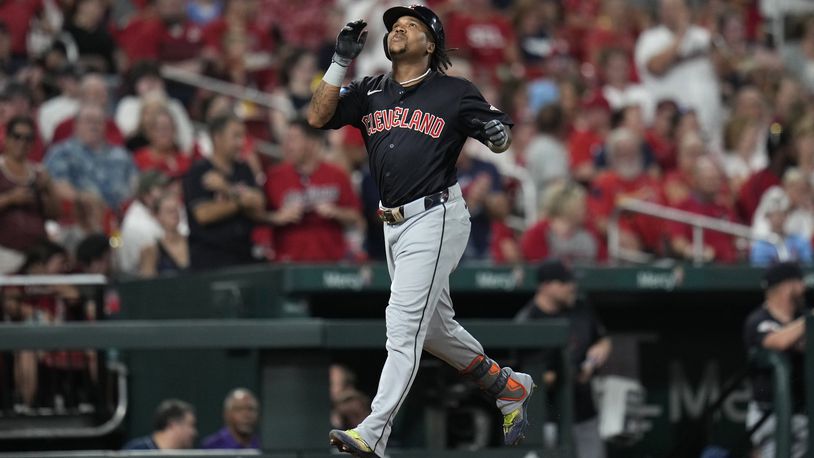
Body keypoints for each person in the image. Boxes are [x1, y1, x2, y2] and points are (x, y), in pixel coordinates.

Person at [307, 5, 535, 456]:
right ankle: (509, 386)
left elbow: (500, 133)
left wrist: (494, 134)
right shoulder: (371, 89)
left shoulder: (452, 91)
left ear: (430, 44)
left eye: (410, 26)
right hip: (392, 223)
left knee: (403, 325)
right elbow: (317, 117)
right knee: (434, 331)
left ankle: (374, 431)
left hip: (436, 215)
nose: (398, 29)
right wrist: (338, 62)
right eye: (394, 25)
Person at [514, 259, 611, 458]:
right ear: (546, 286)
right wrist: (567, 375)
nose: (571, 287)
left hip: (584, 413)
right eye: (564, 283)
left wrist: (598, 352)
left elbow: (603, 340)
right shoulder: (527, 321)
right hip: (547, 419)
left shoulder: (579, 307)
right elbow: (527, 382)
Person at [263, 119, 362, 262]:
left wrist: (335, 212)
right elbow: (259, 218)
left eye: (293, 140)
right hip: (288, 262)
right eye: (286, 140)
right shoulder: (274, 176)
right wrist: (279, 217)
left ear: (311, 143)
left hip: (330, 263)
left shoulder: (337, 175)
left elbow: (356, 217)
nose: (287, 146)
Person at [743, 262, 811, 458]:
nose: (803, 288)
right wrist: (810, 321)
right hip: (770, 415)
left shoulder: (801, 318)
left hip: (804, 415)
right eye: (799, 282)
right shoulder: (758, 319)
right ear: (786, 287)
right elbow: (778, 341)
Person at [182, 114, 265, 271]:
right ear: (217, 137)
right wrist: (241, 202)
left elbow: (258, 203)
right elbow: (204, 214)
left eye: (242, 136)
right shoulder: (199, 172)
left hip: (243, 256)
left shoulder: (244, 169)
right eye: (235, 136)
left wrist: (227, 189)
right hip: (210, 261)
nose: (240, 143)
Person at [0, 116, 60, 273]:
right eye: (17, 137)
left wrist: (49, 189)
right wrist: (10, 199)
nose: (22, 143)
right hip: (4, 250)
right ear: (6, 138)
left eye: (28, 138)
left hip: (37, 253)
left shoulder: (39, 173)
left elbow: (54, 214)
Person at [123, 398, 198, 450]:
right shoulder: (136, 451)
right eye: (190, 425)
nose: (194, 433)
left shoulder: (186, 455)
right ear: (172, 425)